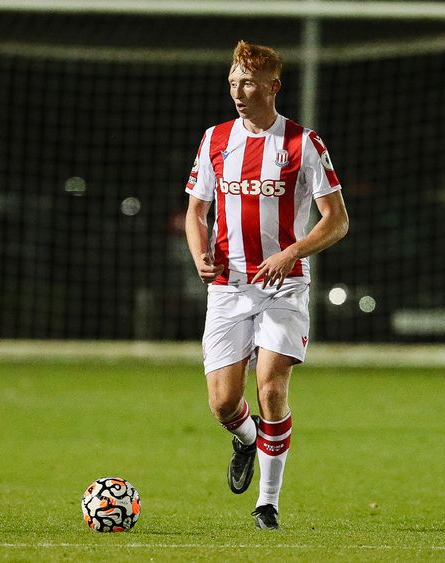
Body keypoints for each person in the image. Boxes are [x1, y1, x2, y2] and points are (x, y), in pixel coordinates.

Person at [184, 40, 349, 530]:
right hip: (229, 287)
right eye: (233, 82)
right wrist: (200, 255)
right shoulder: (215, 140)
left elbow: (336, 221)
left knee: (272, 386)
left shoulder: (303, 143)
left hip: (285, 285)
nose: (238, 91)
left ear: (273, 87)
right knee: (222, 403)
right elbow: (196, 211)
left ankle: (267, 505)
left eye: (248, 83)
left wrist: (291, 252)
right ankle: (245, 438)